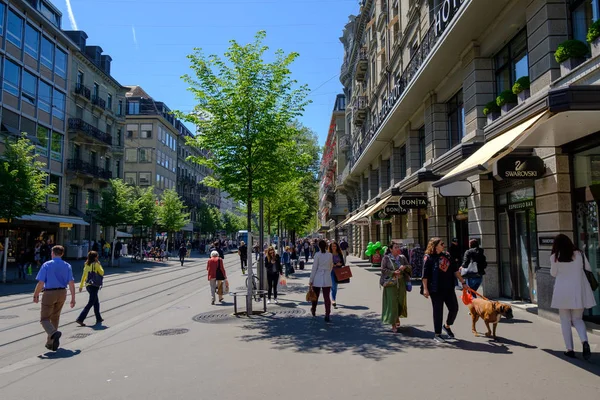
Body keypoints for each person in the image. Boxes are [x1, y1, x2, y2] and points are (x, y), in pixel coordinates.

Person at [550, 234, 596, 360]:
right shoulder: (579, 254)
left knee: (565, 320)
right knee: (578, 319)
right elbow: (588, 269)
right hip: (578, 291)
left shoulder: (555, 257)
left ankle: (569, 349)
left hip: (562, 292)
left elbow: (553, 273)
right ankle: (584, 342)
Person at [422, 237, 467, 343]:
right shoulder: (428, 258)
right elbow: (425, 275)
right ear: (435, 245)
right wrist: (425, 289)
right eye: (441, 244)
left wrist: (463, 282)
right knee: (438, 311)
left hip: (449, 288)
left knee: (454, 308)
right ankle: (437, 334)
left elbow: (455, 271)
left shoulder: (447, 255)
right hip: (435, 289)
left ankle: (447, 325)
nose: (444, 245)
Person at [32, 245, 76, 351]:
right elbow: (71, 283)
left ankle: (53, 333)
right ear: (62, 254)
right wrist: (73, 298)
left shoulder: (47, 265)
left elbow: (41, 282)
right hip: (62, 292)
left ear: (52, 253)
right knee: (55, 317)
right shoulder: (67, 265)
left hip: (49, 293)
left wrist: (36, 294)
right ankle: (51, 343)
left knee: (44, 319)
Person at [380, 241, 411, 333]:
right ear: (391, 249)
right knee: (392, 302)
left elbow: (410, 267)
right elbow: (382, 269)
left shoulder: (402, 257)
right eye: (396, 247)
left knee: (400, 300)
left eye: (398, 247)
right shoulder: (386, 258)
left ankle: (397, 317)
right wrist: (393, 273)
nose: (398, 249)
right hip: (390, 283)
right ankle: (393, 323)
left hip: (401, 283)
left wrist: (405, 267)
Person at [76, 251, 104, 326]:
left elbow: (84, 276)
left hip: (88, 285)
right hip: (94, 285)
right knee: (91, 302)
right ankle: (80, 318)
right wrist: (99, 265)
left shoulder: (86, 264)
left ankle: (98, 318)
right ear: (95, 257)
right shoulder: (96, 264)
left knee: (96, 302)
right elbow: (102, 272)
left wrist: (81, 286)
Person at [309, 240, 334, 322]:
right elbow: (331, 266)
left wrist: (311, 279)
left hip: (317, 277)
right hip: (326, 277)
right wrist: (327, 272)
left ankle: (313, 309)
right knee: (327, 297)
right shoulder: (330, 255)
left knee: (315, 296)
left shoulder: (317, 255)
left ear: (319, 246)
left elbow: (314, 268)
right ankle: (327, 314)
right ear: (326, 246)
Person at [329, 241, 345, 309]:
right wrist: (334, 264)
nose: (334, 247)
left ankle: (333, 298)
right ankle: (333, 300)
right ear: (330, 247)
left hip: (338, 271)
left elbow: (343, 263)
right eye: (332, 246)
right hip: (331, 271)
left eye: (335, 246)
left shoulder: (339, 253)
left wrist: (340, 264)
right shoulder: (329, 254)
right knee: (333, 285)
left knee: (335, 286)